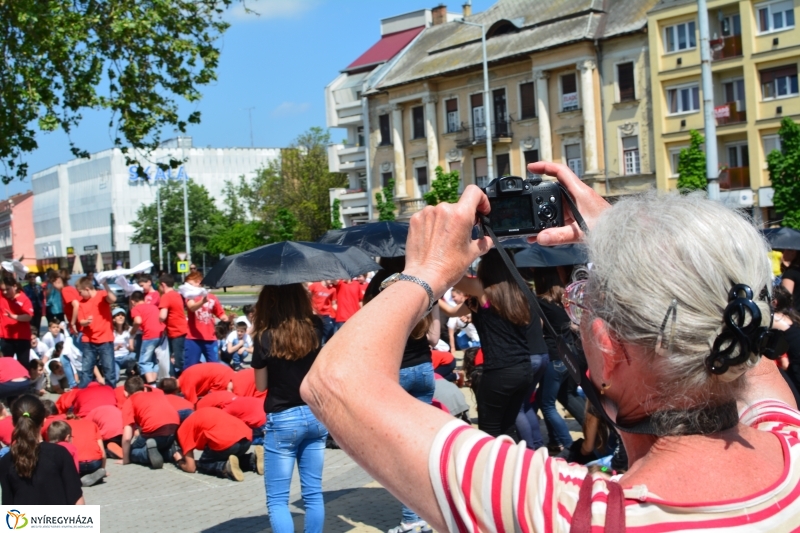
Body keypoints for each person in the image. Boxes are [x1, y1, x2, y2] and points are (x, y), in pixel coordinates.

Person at [301, 161, 800, 531]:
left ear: (609, 350)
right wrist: (634, 243)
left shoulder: (564, 512)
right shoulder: (788, 450)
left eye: (584, 297)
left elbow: (336, 381)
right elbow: (734, 332)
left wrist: (425, 271)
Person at [364, 261, 442, 533]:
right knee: (422, 445)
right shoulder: (421, 282)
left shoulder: (376, 287)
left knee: (401, 449)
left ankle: (411, 520)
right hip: (422, 368)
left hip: (394, 369)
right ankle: (430, 514)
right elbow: (434, 338)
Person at [445, 249, 549, 441]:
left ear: (487, 267)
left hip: (500, 370)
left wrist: (466, 251)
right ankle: (516, 465)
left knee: (489, 433)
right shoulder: (520, 290)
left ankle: (495, 469)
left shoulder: (484, 289)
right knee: (508, 427)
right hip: (523, 369)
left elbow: (452, 277)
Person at [251, 284, 328, 532]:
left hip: (283, 417)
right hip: (315, 414)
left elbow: (261, 385)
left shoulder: (265, 336)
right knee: (314, 493)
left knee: (277, 500)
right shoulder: (315, 327)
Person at [0, 395, 83, 504]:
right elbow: (77, 500)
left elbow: (7, 505)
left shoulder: (6, 461)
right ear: (44, 420)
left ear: (14, 423)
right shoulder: (59, 453)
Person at [173, 407, 262, 481]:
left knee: (203, 464)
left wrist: (179, 460)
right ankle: (252, 459)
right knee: (229, 457)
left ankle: (225, 467)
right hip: (246, 438)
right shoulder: (203, 411)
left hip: (227, 442)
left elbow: (191, 468)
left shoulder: (183, 428)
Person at [120, 376, 179, 469]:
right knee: (160, 445)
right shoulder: (158, 393)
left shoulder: (130, 401)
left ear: (125, 393)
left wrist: (126, 459)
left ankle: (147, 454)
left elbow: (127, 438)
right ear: (144, 389)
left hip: (153, 431)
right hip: (173, 428)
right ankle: (171, 453)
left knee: (132, 451)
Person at [75, 276, 117, 387]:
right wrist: (86, 322)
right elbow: (81, 321)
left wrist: (106, 284)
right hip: (88, 340)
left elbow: (113, 299)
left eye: (80, 292)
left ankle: (111, 394)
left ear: (87, 289)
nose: (79, 295)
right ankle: (83, 395)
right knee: (86, 371)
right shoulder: (81, 303)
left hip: (105, 339)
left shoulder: (102, 294)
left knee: (109, 370)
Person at [184, 272, 228, 368]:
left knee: (214, 366)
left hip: (210, 338)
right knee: (190, 367)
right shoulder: (190, 296)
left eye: (190, 284)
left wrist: (227, 319)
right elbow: (191, 307)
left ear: (198, 282)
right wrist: (202, 301)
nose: (188, 287)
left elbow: (221, 314)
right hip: (193, 338)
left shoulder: (212, 298)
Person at [129, 291, 165, 385]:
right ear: (144, 299)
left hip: (150, 336)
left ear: (133, 301)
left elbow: (138, 321)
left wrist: (132, 331)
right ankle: (154, 383)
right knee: (153, 360)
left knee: (144, 362)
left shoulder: (136, 308)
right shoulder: (153, 307)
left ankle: (152, 385)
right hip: (161, 334)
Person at [0, 277, 35, 367]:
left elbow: (29, 316)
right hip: (6, 338)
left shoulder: (24, 299)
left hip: (22, 337)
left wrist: (13, 316)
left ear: (15, 286)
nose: (5, 292)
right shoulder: (2, 297)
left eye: (7, 289)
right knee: (7, 365)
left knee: (23, 365)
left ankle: (24, 381)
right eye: (3, 290)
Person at [158, 274, 188, 376]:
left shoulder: (166, 296)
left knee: (178, 358)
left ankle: (181, 378)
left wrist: (158, 319)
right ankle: (175, 377)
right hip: (182, 328)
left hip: (175, 331)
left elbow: (162, 316)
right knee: (179, 356)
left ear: (163, 284)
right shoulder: (177, 294)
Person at [65, 414, 106, 486]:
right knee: (93, 469)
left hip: (77, 464)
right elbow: (103, 452)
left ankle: (79, 478)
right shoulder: (92, 424)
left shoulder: (64, 426)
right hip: (95, 463)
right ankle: (93, 474)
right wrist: (103, 468)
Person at [112, 308, 135, 384]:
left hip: (125, 357)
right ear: (114, 319)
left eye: (123, 315)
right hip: (114, 359)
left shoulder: (129, 330)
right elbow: (107, 349)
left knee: (133, 356)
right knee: (116, 378)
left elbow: (132, 349)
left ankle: (128, 371)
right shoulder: (110, 332)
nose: (121, 317)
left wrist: (129, 347)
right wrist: (116, 348)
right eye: (118, 315)